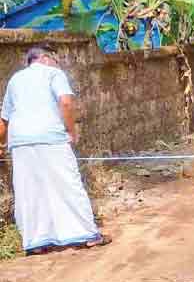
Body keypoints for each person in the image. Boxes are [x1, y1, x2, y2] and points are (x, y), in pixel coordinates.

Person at [0, 46, 111, 256]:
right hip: (51, 137)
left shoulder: (15, 79)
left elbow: (4, 119)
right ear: (44, 58)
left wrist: (1, 144)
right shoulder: (54, 73)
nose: (57, 63)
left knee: (29, 191)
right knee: (69, 184)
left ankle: (35, 243)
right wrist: (71, 132)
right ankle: (87, 235)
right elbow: (66, 102)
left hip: (20, 141)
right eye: (54, 59)